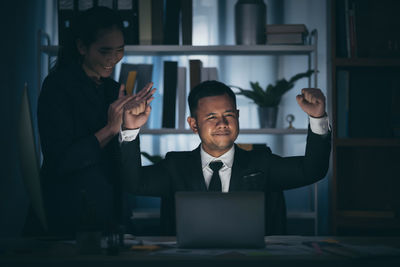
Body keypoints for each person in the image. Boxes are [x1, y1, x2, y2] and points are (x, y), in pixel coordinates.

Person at [119, 80, 331, 235]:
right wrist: (130, 129)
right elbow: (133, 183)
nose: (222, 123)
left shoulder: (262, 162)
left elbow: (312, 170)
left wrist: (318, 118)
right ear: (193, 124)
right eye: (211, 117)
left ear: (237, 117)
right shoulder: (175, 166)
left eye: (229, 115)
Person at [30, 7, 154, 237]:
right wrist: (110, 129)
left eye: (119, 50)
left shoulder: (113, 88)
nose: (113, 59)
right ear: (81, 47)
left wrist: (131, 128)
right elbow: (61, 161)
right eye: (105, 50)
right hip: (68, 210)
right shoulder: (57, 87)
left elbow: (121, 162)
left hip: (110, 209)